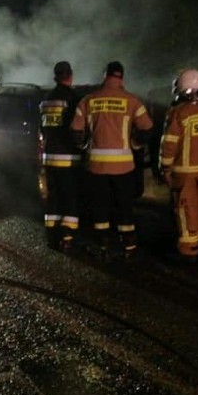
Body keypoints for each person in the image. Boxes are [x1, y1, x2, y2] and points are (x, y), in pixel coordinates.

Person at [70, 61, 153, 259]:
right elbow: (148, 128)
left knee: (100, 207)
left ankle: (103, 245)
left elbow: (75, 131)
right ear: (121, 77)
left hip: (96, 166)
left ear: (104, 76)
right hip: (124, 167)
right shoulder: (132, 101)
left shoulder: (88, 100)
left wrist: (83, 147)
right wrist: (135, 143)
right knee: (124, 205)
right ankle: (129, 246)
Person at [158, 68, 198, 262]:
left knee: (184, 209)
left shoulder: (178, 113)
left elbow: (169, 144)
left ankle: (188, 250)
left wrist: (165, 168)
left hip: (183, 172)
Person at [39, 60, 82, 251]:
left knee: (53, 198)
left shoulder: (46, 100)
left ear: (56, 76)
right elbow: (76, 129)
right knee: (69, 198)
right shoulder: (73, 99)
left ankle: (51, 238)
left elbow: (42, 129)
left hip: (49, 158)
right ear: (70, 76)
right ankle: (67, 237)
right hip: (68, 158)